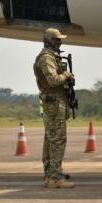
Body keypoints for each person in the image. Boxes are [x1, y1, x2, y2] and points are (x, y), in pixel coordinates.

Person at [34, 28, 75, 189]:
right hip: (54, 101)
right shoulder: (46, 58)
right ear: (49, 40)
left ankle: (51, 174)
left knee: (51, 139)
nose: (60, 42)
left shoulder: (51, 57)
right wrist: (67, 75)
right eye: (57, 39)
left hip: (56, 101)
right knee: (57, 139)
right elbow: (52, 79)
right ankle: (55, 178)